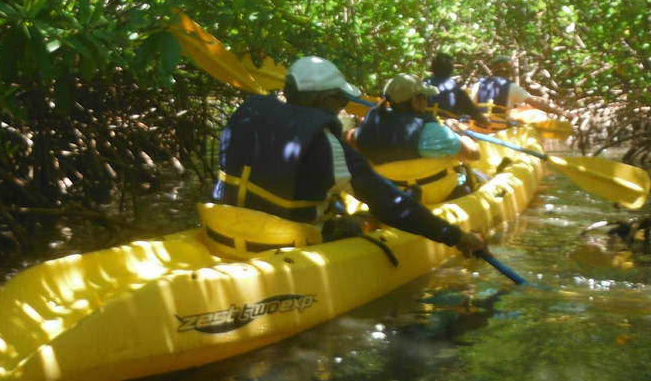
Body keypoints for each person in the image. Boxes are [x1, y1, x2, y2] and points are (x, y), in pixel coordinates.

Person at [202, 56, 487, 260]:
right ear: (326, 102)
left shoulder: (247, 117)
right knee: (351, 224)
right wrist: (456, 236)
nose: (342, 107)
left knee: (339, 204)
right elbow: (390, 205)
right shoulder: (327, 144)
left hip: (222, 231)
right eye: (340, 101)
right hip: (280, 243)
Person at [349, 73, 481, 204]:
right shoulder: (433, 132)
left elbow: (349, 140)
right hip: (440, 195)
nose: (427, 102)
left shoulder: (369, 129)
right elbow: (474, 154)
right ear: (415, 100)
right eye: (424, 97)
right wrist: (458, 132)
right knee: (469, 173)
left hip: (393, 198)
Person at [471, 55, 565, 129]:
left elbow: (470, 107)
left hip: (478, 127)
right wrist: (560, 112)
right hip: (499, 129)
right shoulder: (511, 87)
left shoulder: (478, 85)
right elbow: (537, 103)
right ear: (508, 71)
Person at [424, 52, 490, 128]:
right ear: (451, 69)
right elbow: (475, 114)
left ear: (433, 68)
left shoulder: (422, 85)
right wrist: (487, 121)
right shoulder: (456, 90)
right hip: (447, 129)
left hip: (422, 127)